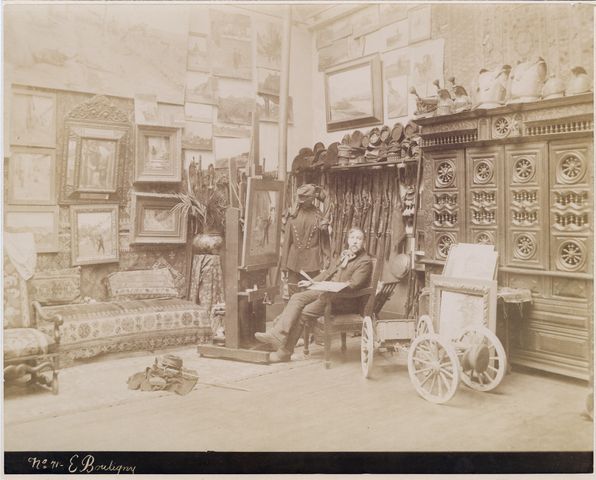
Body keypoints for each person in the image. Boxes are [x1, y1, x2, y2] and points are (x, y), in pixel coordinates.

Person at [255, 227, 372, 362]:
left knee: (303, 312)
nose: (355, 242)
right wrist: (311, 282)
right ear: (348, 240)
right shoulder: (345, 255)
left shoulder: (365, 261)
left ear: (364, 242)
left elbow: (354, 285)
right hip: (327, 292)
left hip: (344, 300)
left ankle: (284, 352)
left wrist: (330, 288)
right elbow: (327, 273)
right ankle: (276, 335)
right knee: (296, 298)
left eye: (359, 239)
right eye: (352, 238)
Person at [280, 183, 330, 297]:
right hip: (294, 262)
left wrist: (326, 262)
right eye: (301, 197)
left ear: (312, 198)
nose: (302, 200)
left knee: (310, 294)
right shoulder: (293, 214)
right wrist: (284, 266)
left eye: (305, 197)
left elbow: (324, 242)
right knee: (293, 293)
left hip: (312, 262)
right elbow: (287, 241)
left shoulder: (319, 216)